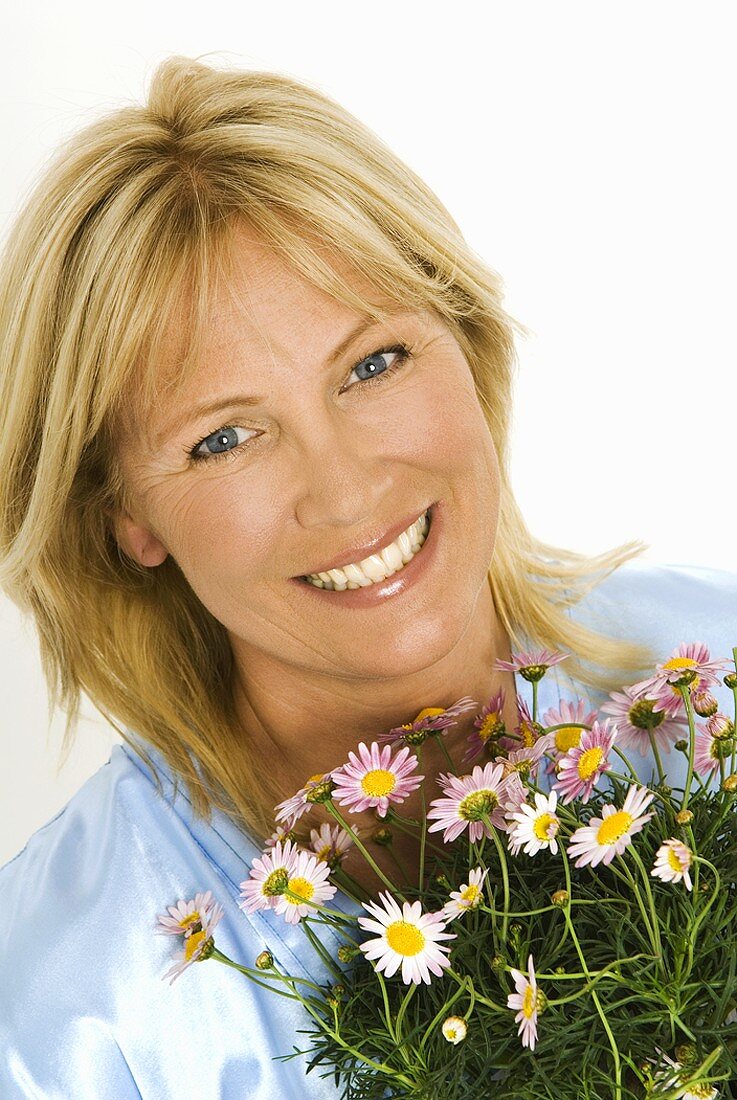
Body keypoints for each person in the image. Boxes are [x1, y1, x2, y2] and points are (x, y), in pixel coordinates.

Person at [0, 54, 735, 1098]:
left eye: (372, 364)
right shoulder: (64, 1015)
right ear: (122, 516)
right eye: (224, 438)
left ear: (465, 343)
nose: (344, 493)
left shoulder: (715, 672)